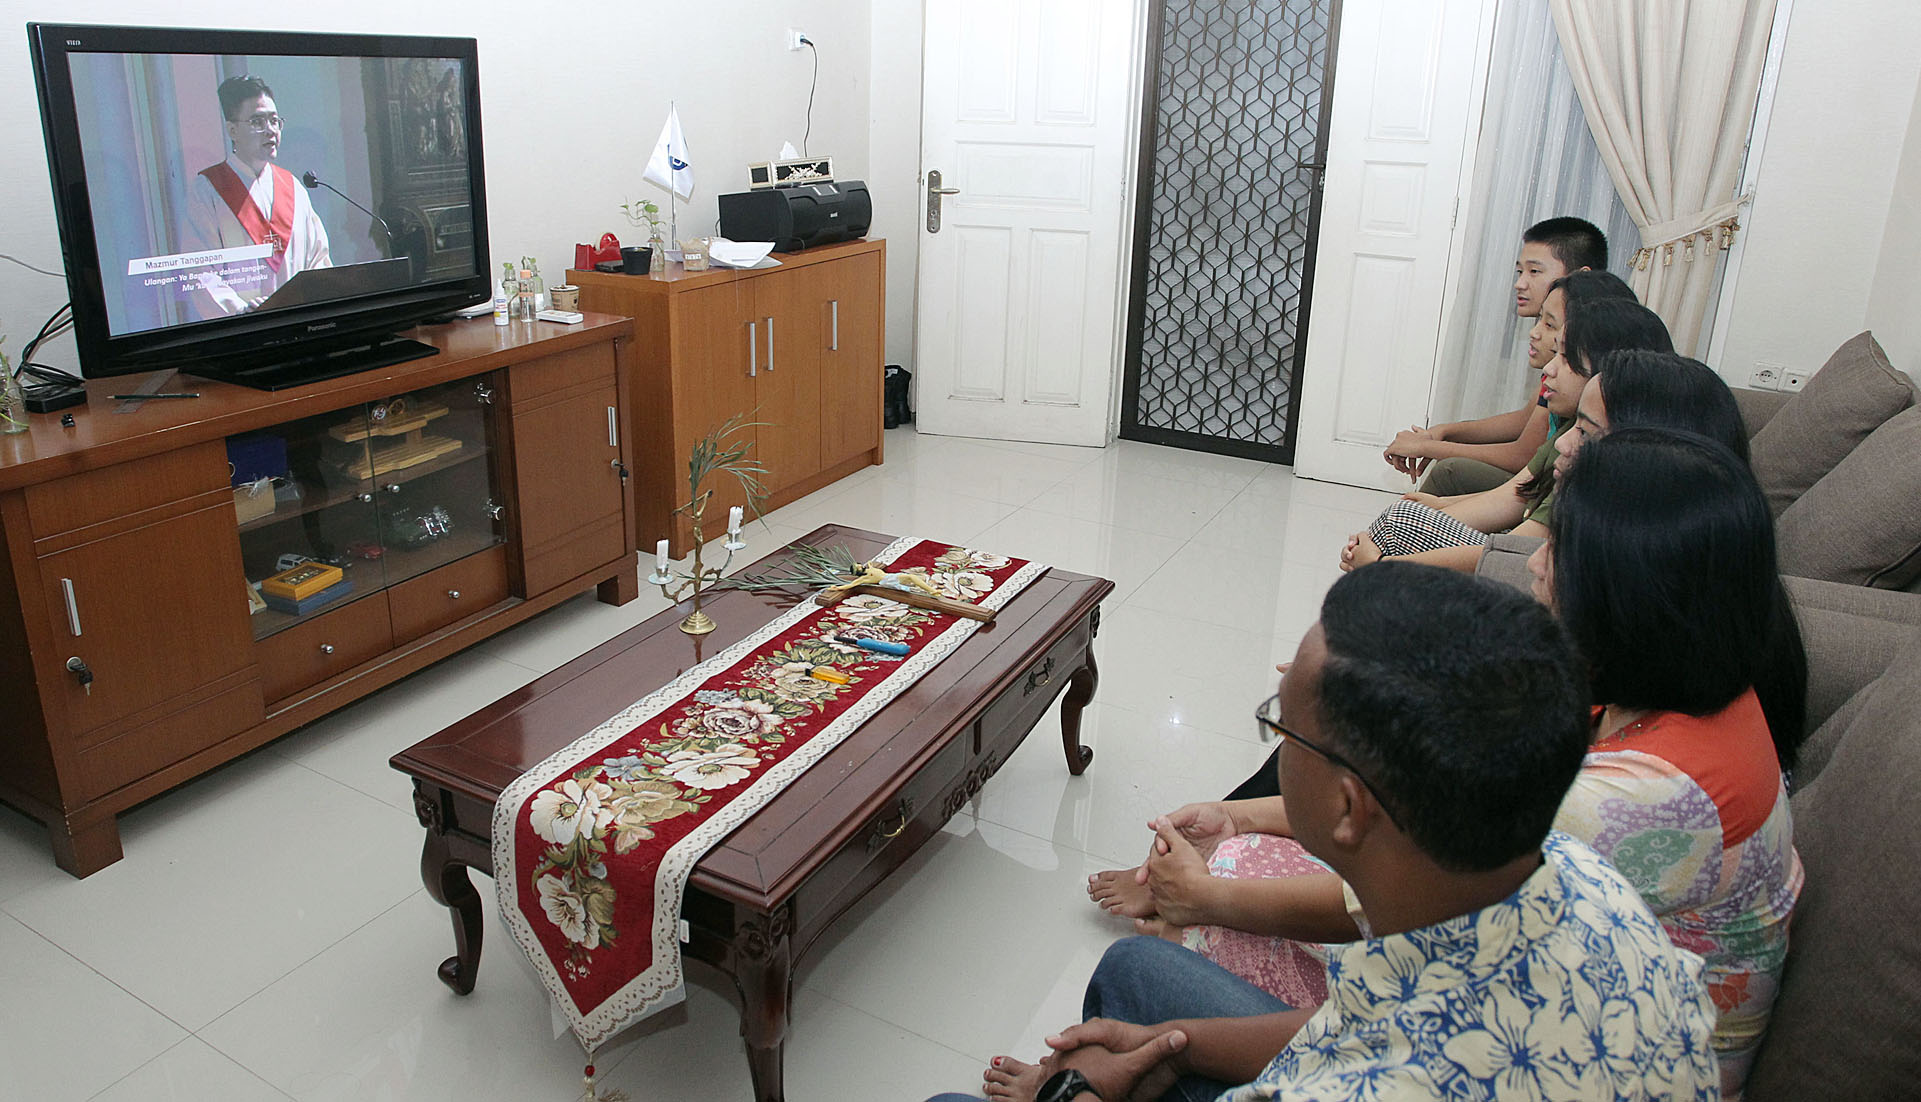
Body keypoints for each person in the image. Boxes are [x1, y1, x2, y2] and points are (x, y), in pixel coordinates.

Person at [928, 565, 1720, 1102]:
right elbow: (1364, 1017)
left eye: (1283, 729)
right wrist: (1166, 1045)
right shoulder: (1579, 877)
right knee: (1136, 975)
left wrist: (1072, 1095)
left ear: (1349, 808)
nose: (1276, 746)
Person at [1340, 292, 1671, 573]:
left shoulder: (1598, 448)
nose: (1550, 367)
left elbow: (1519, 551)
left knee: (1402, 525)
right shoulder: (1576, 427)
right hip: (1521, 553)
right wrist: (1437, 508)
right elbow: (1517, 493)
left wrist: (1386, 564)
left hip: (1527, 569)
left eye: (1565, 356)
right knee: (1404, 518)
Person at [1381, 216, 1608, 495]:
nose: (1520, 284)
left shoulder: (1583, 349)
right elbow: (1525, 419)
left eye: (1534, 272)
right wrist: (1445, 431)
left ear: (1579, 276)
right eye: (1519, 272)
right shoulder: (1553, 342)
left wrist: (1430, 446)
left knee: (1450, 472)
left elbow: (1524, 454)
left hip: (1560, 489)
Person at [181, 75, 332, 317]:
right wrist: (244, 312)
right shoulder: (207, 190)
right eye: (257, 121)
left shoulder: (293, 187)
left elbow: (318, 259)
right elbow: (201, 273)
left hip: (299, 325)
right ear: (232, 130)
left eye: (274, 120)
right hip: (245, 331)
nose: (270, 130)